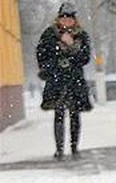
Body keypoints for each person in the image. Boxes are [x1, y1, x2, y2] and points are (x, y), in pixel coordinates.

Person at [36, 3, 92, 160]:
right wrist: (56, 58)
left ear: (74, 20)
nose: (66, 21)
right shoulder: (49, 34)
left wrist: (72, 46)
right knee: (58, 114)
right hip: (57, 80)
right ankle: (59, 148)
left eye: (69, 19)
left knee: (75, 115)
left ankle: (74, 147)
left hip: (75, 80)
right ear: (58, 19)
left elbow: (85, 58)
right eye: (63, 18)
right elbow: (41, 55)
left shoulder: (81, 35)